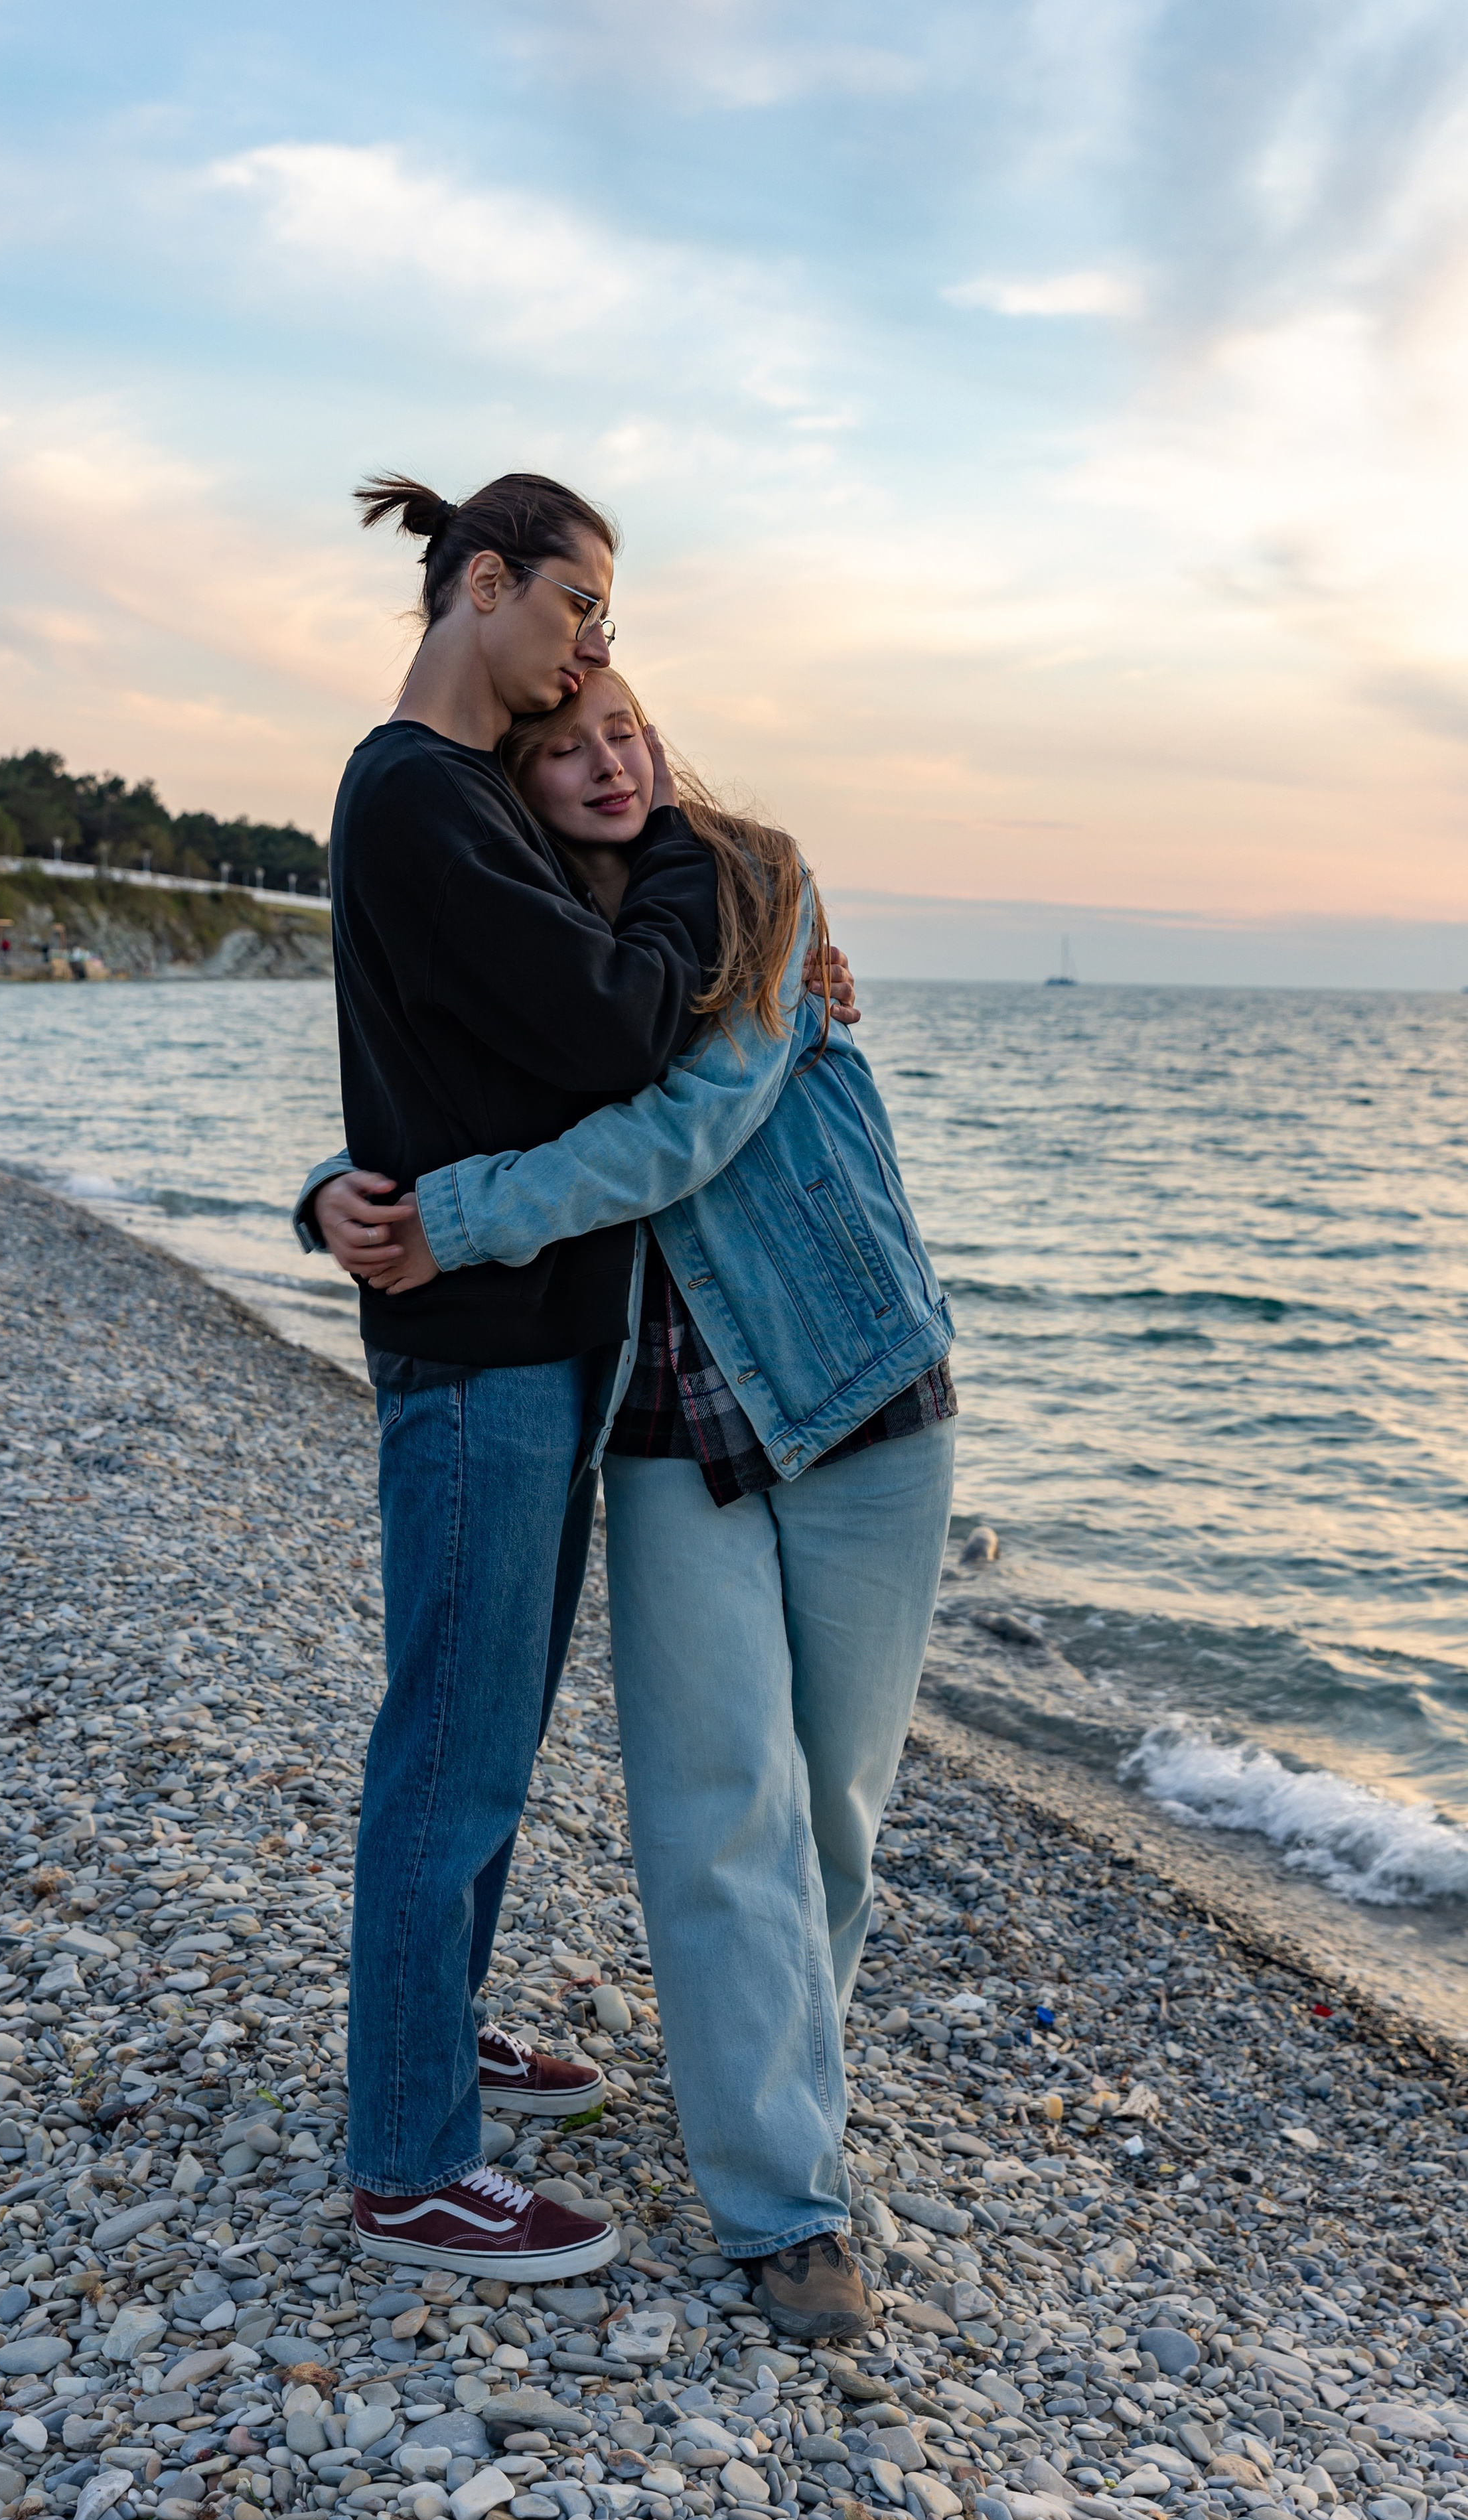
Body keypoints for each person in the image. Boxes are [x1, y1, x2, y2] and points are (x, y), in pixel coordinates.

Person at [317, 667, 957, 2342]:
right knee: (708, 1804)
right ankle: (780, 2201)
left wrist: (452, 1217)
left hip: (856, 1379)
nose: (606, 765)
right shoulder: (530, 948)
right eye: (559, 752)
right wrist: (331, 1190)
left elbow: (685, 1129)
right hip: (660, 1426)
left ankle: (772, 2091)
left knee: (832, 1812)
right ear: (513, 789)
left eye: (624, 735)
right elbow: (406, 1092)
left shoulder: (758, 886)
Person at [296, 468, 737, 2282]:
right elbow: (608, 1029)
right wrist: (711, 862)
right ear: (485, 584)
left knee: (482, 1736)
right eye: (580, 606)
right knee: (453, 1754)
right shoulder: (417, 794)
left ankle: (432, 2032)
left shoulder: (463, 802)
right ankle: (408, 2156)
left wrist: (316, 1189)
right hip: (478, 1361)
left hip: (519, 1339)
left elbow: (455, 1062)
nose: (596, 646)